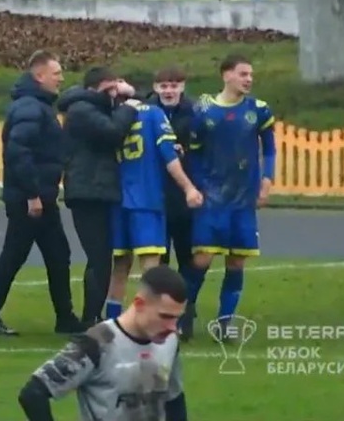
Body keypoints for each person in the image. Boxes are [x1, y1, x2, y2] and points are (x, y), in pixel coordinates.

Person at [0, 50, 84, 336]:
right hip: (30, 199)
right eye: (56, 73)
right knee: (15, 256)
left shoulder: (37, 106)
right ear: (39, 76)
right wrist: (32, 194)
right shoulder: (30, 108)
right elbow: (18, 152)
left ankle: (65, 318)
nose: (61, 78)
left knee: (57, 254)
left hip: (40, 196)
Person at [17, 265, 190, 421]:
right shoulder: (96, 343)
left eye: (177, 318)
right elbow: (33, 394)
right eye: (165, 316)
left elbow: (174, 400)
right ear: (139, 304)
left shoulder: (169, 341)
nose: (173, 327)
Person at [182, 54, 275, 340]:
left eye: (251, 75)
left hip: (243, 199)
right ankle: (183, 314)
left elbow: (270, 149)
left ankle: (225, 323)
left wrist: (267, 180)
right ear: (226, 75)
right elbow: (194, 153)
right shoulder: (204, 111)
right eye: (243, 74)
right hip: (213, 199)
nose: (249, 79)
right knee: (202, 258)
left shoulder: (258, 110)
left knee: (236, 261)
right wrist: (199, 186)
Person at [104, 99, 203, 321]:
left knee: (120, 267)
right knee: (150, 268)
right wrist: (188, 187)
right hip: (146, 199)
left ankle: (112, 321)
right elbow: (169, 156)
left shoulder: (114, 113)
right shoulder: (154, 114)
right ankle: (147, 321)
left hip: (118, 200)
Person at [57, 67, 139, 326]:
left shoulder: (93, 107)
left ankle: (91, 316)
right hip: (89, 191)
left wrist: (129, 98)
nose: (114, 94)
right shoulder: (82, 110)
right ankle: (90, 318)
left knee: (102, 258)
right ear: (93, 89)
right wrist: (129, 107)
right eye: (109, 89)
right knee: (99, 259)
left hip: (97, 190)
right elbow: (113, 132)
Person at [147, 66, 197, 275]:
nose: (168, 91)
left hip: (185, 190)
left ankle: (187, 295)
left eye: (174, 86)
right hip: (156, 190)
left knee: (188, 254)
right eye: (164, 86)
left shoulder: (194, 111)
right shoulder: (146, 111)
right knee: (159, 254)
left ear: (182, 87)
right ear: (155, 87)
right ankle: (161, 294)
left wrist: (185, 149)